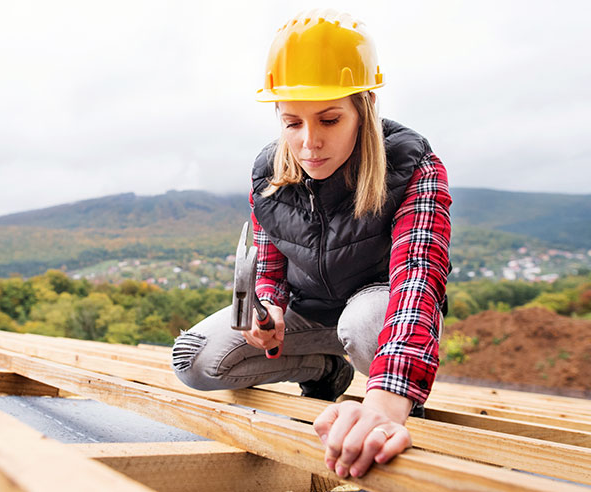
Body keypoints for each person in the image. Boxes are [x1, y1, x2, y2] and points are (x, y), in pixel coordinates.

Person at [171, 9, 451, 479]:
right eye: (292, 122)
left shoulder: (413, 165)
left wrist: (383, 403)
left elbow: (418, 282)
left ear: (363, 108)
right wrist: (272, 308)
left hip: (382, 316)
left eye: (329, 119)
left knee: (365, 322)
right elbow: (269, 266)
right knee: (194, 362)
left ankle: (394, 407)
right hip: (313, 316)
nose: (309, 144)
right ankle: (324, 371)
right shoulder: (267, 175)